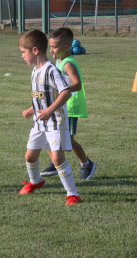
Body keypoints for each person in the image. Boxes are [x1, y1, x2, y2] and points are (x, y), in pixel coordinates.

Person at [18, 29, 82, 205]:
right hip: (39, 123)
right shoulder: (34, 71)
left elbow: (66, 92)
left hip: (55, 122)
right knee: (30, 156)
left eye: (24, 52)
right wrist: (33, 108)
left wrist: (49, 111)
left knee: (57, 158)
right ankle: (36, 181)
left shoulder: (51, 70)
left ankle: (72, 194)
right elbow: (45, 95)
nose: (22, 56)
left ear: (35, 50)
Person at [40, 28, 97, 180]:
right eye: (50, 46)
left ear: (66, 47)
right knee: (47, 136)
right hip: (59, 106)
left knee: (68, 141)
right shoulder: (58, 61)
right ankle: (56, 161)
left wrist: (61, 90)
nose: (51, 49)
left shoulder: (68, 64)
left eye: (54, 47)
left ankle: (86, 163)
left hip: (69, 108)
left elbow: (77, 85)